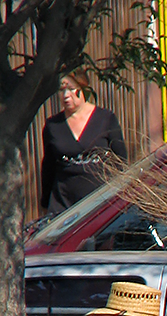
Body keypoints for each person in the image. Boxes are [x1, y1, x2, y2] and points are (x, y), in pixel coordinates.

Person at [40, 70, 127, 215]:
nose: (66, 95)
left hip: (100, 203)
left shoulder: (105, 119)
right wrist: (44, 204)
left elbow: (121, 161)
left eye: (71, 89)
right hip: (63, 206)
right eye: (62, 90)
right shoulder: (53, 125)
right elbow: (48, 168)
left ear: (83, 89)